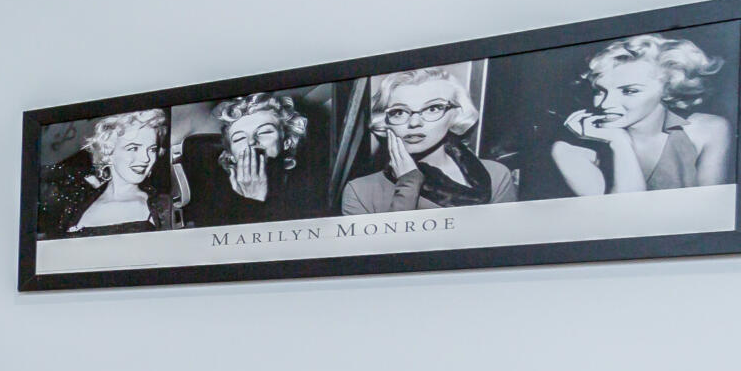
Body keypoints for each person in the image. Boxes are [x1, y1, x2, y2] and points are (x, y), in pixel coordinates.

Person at [547, 32, 730, 196]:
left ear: (667, 89)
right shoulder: (570, 151)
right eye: (600, 91)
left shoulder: (709, 130)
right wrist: (620, 144)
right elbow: (625, 219)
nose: (606, 103)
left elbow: (712, 213)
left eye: (629, 91)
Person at [340, 67, 515, 215]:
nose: (415, 123)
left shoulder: (496, 176)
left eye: (432, 108)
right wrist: (408, 186)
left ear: (457, 114)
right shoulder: (360, 191)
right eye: (399, 112)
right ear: (385, 121)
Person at [177, 89, 315, 225]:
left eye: (264, 132)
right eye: (239, 138)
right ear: (231, 155)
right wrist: (253, 201)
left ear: (286, 142)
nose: (251, 142)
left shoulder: (308, 190)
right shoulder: (211, 198)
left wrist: (256, 199)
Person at [41, 109, 176, 235]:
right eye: (133, 148)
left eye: (152, 149)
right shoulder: (77, 204)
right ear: (108, 151)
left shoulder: (161, 207)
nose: (146, 158)